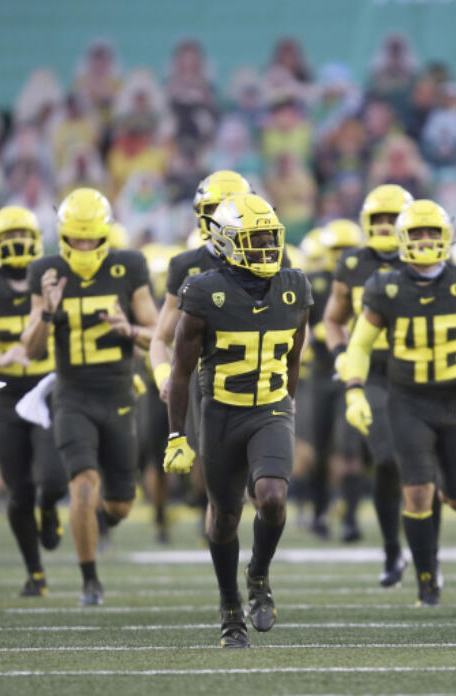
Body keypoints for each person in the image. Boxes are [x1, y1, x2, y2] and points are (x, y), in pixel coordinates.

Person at [164, 193, 311, 648]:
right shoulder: (204, 291)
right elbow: (180, 371)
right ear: (226, 242)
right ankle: (230, 608)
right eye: (255, 238)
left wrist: (285, 409)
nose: (267, 246)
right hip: (222, 412)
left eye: (270, 237)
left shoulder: (295, 286)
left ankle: (259, 575)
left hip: (269, 407)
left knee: (272, 497)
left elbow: (294, 357)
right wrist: (175, 434)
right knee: (225, 516)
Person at [343, 199, 456, 606]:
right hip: (408, 401)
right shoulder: (386, 286)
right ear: (402, 239)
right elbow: (359, 343)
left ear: (447, 236)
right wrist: (355, 389)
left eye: (432, 232)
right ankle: (427, 579)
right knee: (416, 492)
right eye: (416, 233)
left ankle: (429, 538)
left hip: (455, 401)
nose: (425, 240)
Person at [22, 188, 157, 606]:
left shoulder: (128, 266)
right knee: (82, 484)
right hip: (72, 395)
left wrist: (129, 330)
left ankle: (100, 521)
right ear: (62, 235)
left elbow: (158, 336)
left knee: (118, 506)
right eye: (75, 239)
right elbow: (31, 349)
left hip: (118, 395)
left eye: (90, 239)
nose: (82, 247)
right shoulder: (45, 270)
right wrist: (48, 310)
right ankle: (90, 582)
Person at [0, 205, 68, 596]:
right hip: (4, 395)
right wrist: (0, 358)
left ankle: (52, 506)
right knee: (18, 491)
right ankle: (35, 573)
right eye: (7, 237)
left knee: (54, 479)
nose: (16, 243)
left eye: (21, 235)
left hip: (50, 390)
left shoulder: (53, 278)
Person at [149, 170, 253, 536]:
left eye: (230, 208)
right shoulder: (187, 265)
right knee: (215, 478)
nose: (221, 217)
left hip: (257, 374)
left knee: (263, 481)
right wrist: (164, 378)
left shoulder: (268, 251)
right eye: (214, 209)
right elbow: (160, 338)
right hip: (208, 378)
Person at [322, 184, 414, 585]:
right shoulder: (353, 263)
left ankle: (424, 552)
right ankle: (393, 550)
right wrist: (342, 352)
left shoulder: (424, 260)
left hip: (420, 371)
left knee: (428, 469)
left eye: (392, 219)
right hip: (372, 372)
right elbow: (332, 319)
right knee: (386, 457)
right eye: (377, 219)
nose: (384, 226)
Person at [298, 220, 365, 538]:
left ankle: (351, 516)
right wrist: (321, 333)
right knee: (320, 450)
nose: (340, 257)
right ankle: (319, 511)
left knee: (350, 448)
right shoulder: (313, 283)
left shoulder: (368, 280)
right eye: (336, 250)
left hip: (354, 374)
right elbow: (301, 327)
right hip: (322, 374)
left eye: (346, 250)